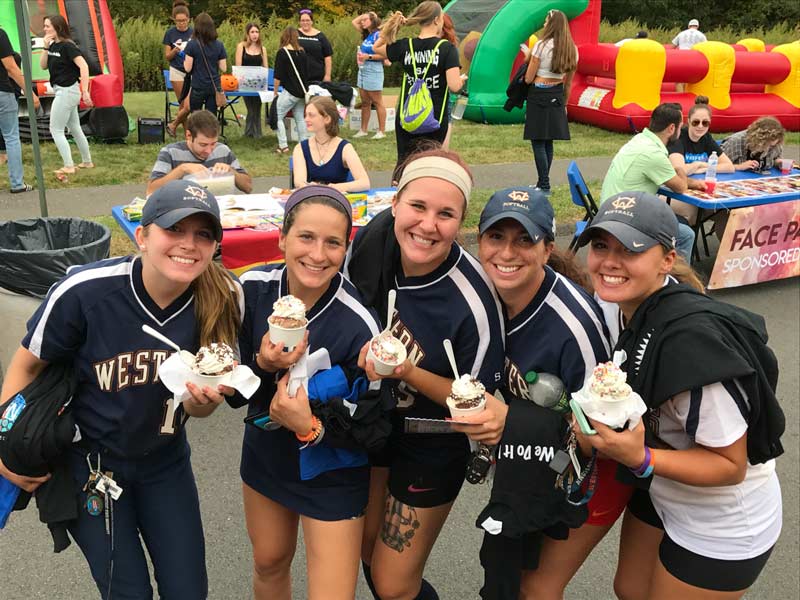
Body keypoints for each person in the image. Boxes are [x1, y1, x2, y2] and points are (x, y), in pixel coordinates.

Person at [0, 179, 243, 599]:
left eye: (204, 233)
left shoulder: (223, 297)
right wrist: (5, 444)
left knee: (188, 591)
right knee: (127, 592)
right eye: (174, 229)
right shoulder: (85, 291)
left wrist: (203, 401)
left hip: (165, 462)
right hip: (89, 464)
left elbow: (199, 410)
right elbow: (28, 362)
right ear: (142, 236)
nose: (189, 244)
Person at [575, 190, 783, 600]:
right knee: (630, 589)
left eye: (630, 249)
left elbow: (730, 466)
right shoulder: (617, 305)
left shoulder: (690, 346)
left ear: (667, 260)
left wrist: (639, 457)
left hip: (724, 522)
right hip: (664, 489)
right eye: (601, 246)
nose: (610, 262)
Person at [346, 148, 506, 600]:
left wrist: (408, 372)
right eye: (417, 206)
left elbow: (478, 409)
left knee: (394, 584)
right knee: (367, 553)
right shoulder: (371, 243)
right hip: (376, 422)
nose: (428, 224)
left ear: (462, 222)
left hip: (434, 439)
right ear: (394, 203)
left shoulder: (473, 301)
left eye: (446, 214)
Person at [472, 188, 639, 600]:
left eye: (524, 239)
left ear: (547, 249)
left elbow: (599, 432)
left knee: (535, 587)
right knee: (507, 574)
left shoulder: (573, 328)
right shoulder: (485, 295)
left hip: (590, 471)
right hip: (529, 460)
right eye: (496, 237)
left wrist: (513, 424)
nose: (507, 252)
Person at [236, 186, 389, 600]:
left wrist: (311, 427)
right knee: (268, 562)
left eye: (333, 243)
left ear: (347, 248)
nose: (318, 255)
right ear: (281, 237)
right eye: (305, 237)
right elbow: (233, 392)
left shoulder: (359, 324)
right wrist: (262, 365)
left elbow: (373, 428)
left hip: (333, 470)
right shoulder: (251, 290)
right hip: (267, 454)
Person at [600, 102, 705, 263]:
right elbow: (680, 186)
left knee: (675, 220)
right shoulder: (653, 154)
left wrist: (693, 183)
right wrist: (681, 167)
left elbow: (670, 177)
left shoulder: (641, 140)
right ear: (671, 128)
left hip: (610, 208)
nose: (681, 131)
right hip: (624, 218)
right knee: (686, 235)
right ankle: (678, 281)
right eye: (680, 127)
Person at [372, 2, 464, 169]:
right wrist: (462, 80)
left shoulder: (406, 46)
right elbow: (454, 86)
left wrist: (394, 26)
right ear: (437, 20)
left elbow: (376, 47)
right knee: (431, 165)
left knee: (405, 163)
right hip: (434, 117)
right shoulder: (446, 49)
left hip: (408, 117)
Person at [523, 9, 578, 196]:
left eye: (546, 20)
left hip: (539, 94)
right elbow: (568, 83)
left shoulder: (541, 45)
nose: (544, 23)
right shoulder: (572, 49)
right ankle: (542, 182)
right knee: (548, 141)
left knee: (538, 140)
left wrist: (528, 60)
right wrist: (564, 104)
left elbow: (529, 78)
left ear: (552, 23)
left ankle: (544, 185)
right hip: (557, 94)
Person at [40, 14, 94, 182]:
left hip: (67, 91)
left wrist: (85, 91)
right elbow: (43, 66)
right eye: (45, 26)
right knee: (74, 127)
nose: (45, 29)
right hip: (63, 91)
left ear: (58, 28)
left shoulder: (68, 46)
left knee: (55, 129)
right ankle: (87, 162)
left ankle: (69, 166)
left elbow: (84, 66)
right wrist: (45, 47)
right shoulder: (53, 46)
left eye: (48, 26)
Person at [148, 109, 252, 195]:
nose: (209, 150)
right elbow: (151, 190)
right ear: (189, 136)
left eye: (213, 143)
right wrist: (182, 169)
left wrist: (231, 171)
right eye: (203, 145)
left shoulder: (223, 150)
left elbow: (248, 187)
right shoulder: (170, 152)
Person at [293, 96, 370, 192]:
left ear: (327, 119)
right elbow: (299, 182)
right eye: (305, 115)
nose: (306, 119)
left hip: (337, 202)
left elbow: (364, 182)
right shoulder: (300, 148)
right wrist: (309, 186)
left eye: (311, 115)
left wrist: (332, 188)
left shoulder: (345, 148)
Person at [1, 27, 38, 193]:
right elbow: (11, 68)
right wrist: (30, 93)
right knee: (11, 137)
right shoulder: (1, 34)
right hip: (2, 93)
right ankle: (17, 184)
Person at [352, 11, 389, 140]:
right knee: (365, 102)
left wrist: (368, 56)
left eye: (365, 20)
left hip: (374, 69)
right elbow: (354, 22)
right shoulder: (367, 34)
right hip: (363, 69)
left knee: (377, 101)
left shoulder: (379, 35)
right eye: (362, 20)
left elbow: (385, 54)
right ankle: (363, 130)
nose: (362, 22)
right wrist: (365, 15)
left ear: (373, 21)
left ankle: (381, 131)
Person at [273, 26, 310, 154]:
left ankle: (283, 145)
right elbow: (306, 73)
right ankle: (303, 144)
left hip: (290, 91)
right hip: (302, 92)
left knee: (277, 115)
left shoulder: (282, 52)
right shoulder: (302, 51)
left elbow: (278, 75)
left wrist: (275, 91)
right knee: (299, 117)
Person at [183, 12, 227, 113]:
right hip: (213, 86)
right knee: (210, 117)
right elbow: (223, 68)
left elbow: (187, 68)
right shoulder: (219, 45)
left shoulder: (192, 44)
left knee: (196, 116)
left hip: (198, 85)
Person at [235, 22, 268, 139]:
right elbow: (238, 66)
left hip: (258, 83)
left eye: (257, 32)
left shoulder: (262, 49)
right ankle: (249, 132)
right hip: (245, 82)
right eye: (252, 32)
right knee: (250, 107)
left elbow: (265, 68)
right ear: (247, 34)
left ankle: (256, 133)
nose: (255, 35)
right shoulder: (241, 46)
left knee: (257, 107)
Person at [721, 117, 786, 173]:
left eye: (772, 146)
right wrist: (739, 167)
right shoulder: (735, 142)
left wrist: (778, 163)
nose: (768, 149)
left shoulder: (775, 143)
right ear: (758, 140)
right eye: (766, 145)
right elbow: (715, 166)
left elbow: (775, 158)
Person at [163, 1, 192, 104]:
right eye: (178, 21)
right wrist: (175, 50)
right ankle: (182, 120)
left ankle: (178, 120)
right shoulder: (170, 33)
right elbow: (167, 56)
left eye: (184, 20)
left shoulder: (193, 33)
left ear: (188, 19)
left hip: (192, 71)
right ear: (174, 20)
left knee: (191, 102)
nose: (181, 23)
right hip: (176, 70)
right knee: (183, 102)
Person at [297, 8, 332, 84]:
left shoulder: (321, 36)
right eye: (303, 20)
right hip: (298, 76)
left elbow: (328, 57)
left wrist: (327, 75)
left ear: (312, 21)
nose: (305, 22)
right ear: (299, 22)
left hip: (317, 77)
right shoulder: (294, 34)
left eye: (307, 20)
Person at [672, 19, 706, 92]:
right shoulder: (701, 35)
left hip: (681, 57)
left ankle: (680, 98)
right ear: (697, 26)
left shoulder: (681, 33)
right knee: (691, 80)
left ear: (688, 26)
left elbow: (673, 46)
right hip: (694, 59)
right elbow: (706, 48)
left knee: (679, 80)